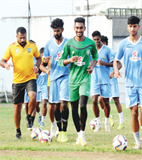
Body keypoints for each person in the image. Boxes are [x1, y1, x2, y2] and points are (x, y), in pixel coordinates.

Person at [113, 16, 142, 149]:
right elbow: (116, 60)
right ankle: (137, 141)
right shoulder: (123, 43)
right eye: (130, 26)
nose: (132, 28)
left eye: (135, 26)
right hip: (130, 83)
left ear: (138, 27)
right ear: (127, 27)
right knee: (134, 112)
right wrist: (116, 71)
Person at [59, 17, 98, 146]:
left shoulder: (91, 43)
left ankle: (82, 134)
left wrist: (91, 66)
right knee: (74, 109)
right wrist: (70, 60)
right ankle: (78, 135)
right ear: (74, 28)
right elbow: (61, 61)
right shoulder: (69, 43)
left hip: (85, 79)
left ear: (84, 28)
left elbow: (95, 58)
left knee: (82, 105)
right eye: (77, 28)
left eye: (81, 27)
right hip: (72, 80)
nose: (79, 30)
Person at [0, 27, 41, 139]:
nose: (23, 39)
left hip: (30, 78)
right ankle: (18, 132)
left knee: (33, 96)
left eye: (24, 37)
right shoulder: (11, 47)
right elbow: (2, 61)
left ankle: (29, 117)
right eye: (21, 37)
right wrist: (6, 65)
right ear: (16, 36)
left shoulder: (32, 46)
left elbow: (38, 58)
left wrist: (37, 66)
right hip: (17, 80)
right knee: (17, 107)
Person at [40, 18, 70, 142]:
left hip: (66, 76)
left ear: (62, 30)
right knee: (56, 106)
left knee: (64, 103)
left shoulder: (68, 43)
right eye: (54, 31)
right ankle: (58, 128)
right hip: (53, 79)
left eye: (58, 31)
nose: (56, 33)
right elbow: (42, 65)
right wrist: (46, 67)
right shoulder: (48, 44)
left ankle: (65, 131)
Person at [91, 31, 118, 132]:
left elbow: (114, 63)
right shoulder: (91, 49)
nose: (96, 41)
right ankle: (98, 123)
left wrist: (103, 63)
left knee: (106, 102)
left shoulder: (107, 50)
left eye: (98, 39)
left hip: (105, 79)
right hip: (94, 79)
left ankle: (106, 122)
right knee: (94, 100)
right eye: (95, 40)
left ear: (100, 38)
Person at [101, 35, 124, 130]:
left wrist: (114, 71)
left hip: (112, 81)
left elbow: (120, 64)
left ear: (105, 43)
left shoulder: (112, 52)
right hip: (103, 81)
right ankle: (108, 116)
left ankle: (121, 122)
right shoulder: (97, 52)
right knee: (100, 100)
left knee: (116, 101)